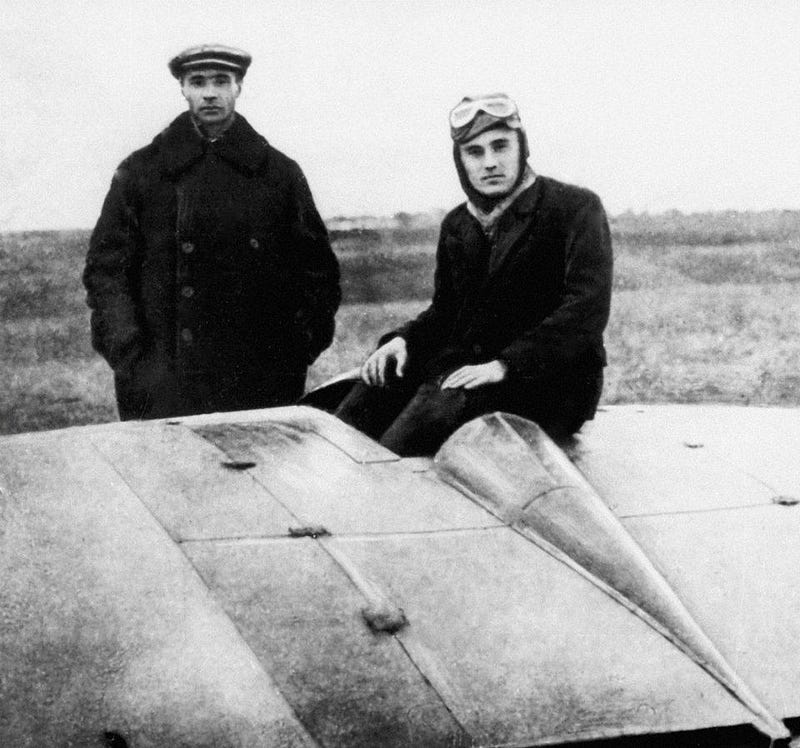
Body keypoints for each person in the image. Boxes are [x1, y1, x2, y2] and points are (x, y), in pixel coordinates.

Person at [335, 93, 612, 455]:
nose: (490, 163)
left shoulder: (574, 207)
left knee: (410, 437)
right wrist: (404, 340)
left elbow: (585, 310)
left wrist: (506, 365)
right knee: (367, 398)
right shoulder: (458, 223)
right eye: (475, 152)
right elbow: (445, 311)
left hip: (554, 383)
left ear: (521, 147)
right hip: (473, 372)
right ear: (460, 160)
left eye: (500, 146)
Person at [84, 44, 340, 420]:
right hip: (162, 382)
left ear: (239, 87)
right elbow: (106, 271)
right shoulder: (140, 172)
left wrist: (294, 350)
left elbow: (316, 272)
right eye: (197, 81)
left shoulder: (279, 174)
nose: (209, 92)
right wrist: (130, 355)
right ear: (183, 89)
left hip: (259, 380)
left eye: (221, 81)